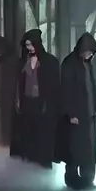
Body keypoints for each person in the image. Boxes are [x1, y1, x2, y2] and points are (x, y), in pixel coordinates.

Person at [57, 33, 96, 190]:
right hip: (75, 115)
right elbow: (65, 90)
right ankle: (73, 180)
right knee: (74, 149)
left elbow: (92, 86)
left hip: (88, 113)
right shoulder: (69, 63)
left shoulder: (87, 63)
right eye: (88, 52)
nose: (90, 55)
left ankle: (88, 180)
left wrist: (95, 107)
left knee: (88, 150)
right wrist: (71, 113)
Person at [13, 29, 61, 168]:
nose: (30, 48)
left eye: (31, 44)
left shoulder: (50, 62)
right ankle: (29, 165)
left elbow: (54, 86)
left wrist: (49, 104)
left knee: (42, 137)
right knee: (28, 135)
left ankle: (42, 165)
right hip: (27, 103)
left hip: (43, 104)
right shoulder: (23, 61)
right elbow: (19, 83)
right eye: (27, 45)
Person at [0, 35, 19, 146]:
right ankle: (3, 138)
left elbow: (15, 78)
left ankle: (7, 139)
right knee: (2, 118)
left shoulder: (12, 59)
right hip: (0, 93)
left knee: (8, 118)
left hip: (9, 94)